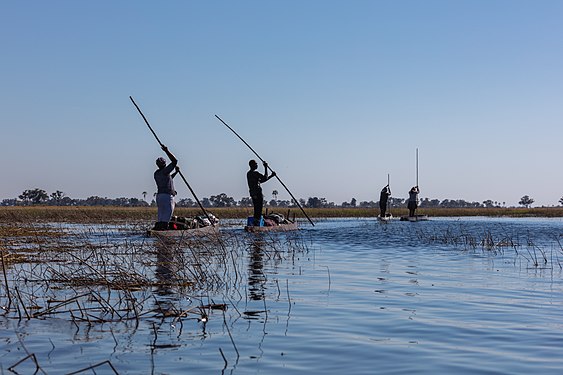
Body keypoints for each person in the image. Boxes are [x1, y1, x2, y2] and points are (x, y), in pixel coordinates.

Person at [153, 145, 179, 230]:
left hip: (160, 197)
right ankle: (163, 230)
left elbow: (168, 179)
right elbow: (175, 161)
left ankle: (159, 228)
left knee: (161, 215)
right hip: (167, 196)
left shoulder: (156, 173)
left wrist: (176, 172)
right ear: (164, 164)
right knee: (167, 214)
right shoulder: (165, 171)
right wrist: (167, 151)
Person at [247, 159, 276, 226]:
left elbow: (261, 181)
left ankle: (256, 222)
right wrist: (265, 167)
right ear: (252, 165)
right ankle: (257, 224)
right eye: (256, 164)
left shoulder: (249, 174)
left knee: (256, 209)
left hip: (253, 193)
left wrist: (271, 176)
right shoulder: (255, 173)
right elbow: (265, 178)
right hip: (257, 193)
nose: (257, 165)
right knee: (258, 209)